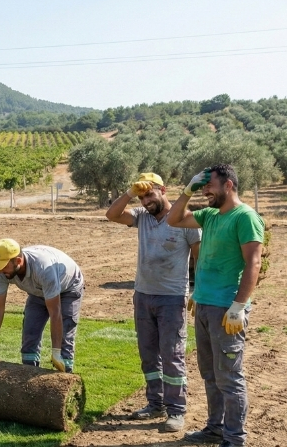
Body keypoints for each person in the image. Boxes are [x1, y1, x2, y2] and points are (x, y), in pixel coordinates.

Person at [167, 164, 264, 447]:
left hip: (227, 311)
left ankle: (235, 438)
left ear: (229, 185)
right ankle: (215, 428)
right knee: (210, 374)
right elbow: (173, 219)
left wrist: (239, 306)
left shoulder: (245, 217)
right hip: (205, 306)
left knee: (230, 378)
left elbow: (253, 263)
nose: (205, 191)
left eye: (210, 186)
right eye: (203, 186)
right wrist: (187, 190)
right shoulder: (209, 216)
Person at [105, 172, 201, 433]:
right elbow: (111, 215)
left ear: (163, 190)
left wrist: (197, 289)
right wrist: (128, 193)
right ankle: (155, 403)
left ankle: (176, 410)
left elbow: (198, 259)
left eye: (150, 194)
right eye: (142, 195)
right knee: (148, 355)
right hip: (143, 295)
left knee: (172, 355)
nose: (146, 200)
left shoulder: (184, 220)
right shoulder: (141, 217)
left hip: (172, 298)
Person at [0, 239, 84, 373]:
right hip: (38, 290)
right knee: (30, 332)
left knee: (65, 334)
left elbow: (55, 312)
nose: (0, 270)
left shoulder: (43, 269)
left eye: (4, 266)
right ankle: (28, 376)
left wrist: (56, 351)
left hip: (68, 288)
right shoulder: (2, 272)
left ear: (18, 261)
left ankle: (65, 375)